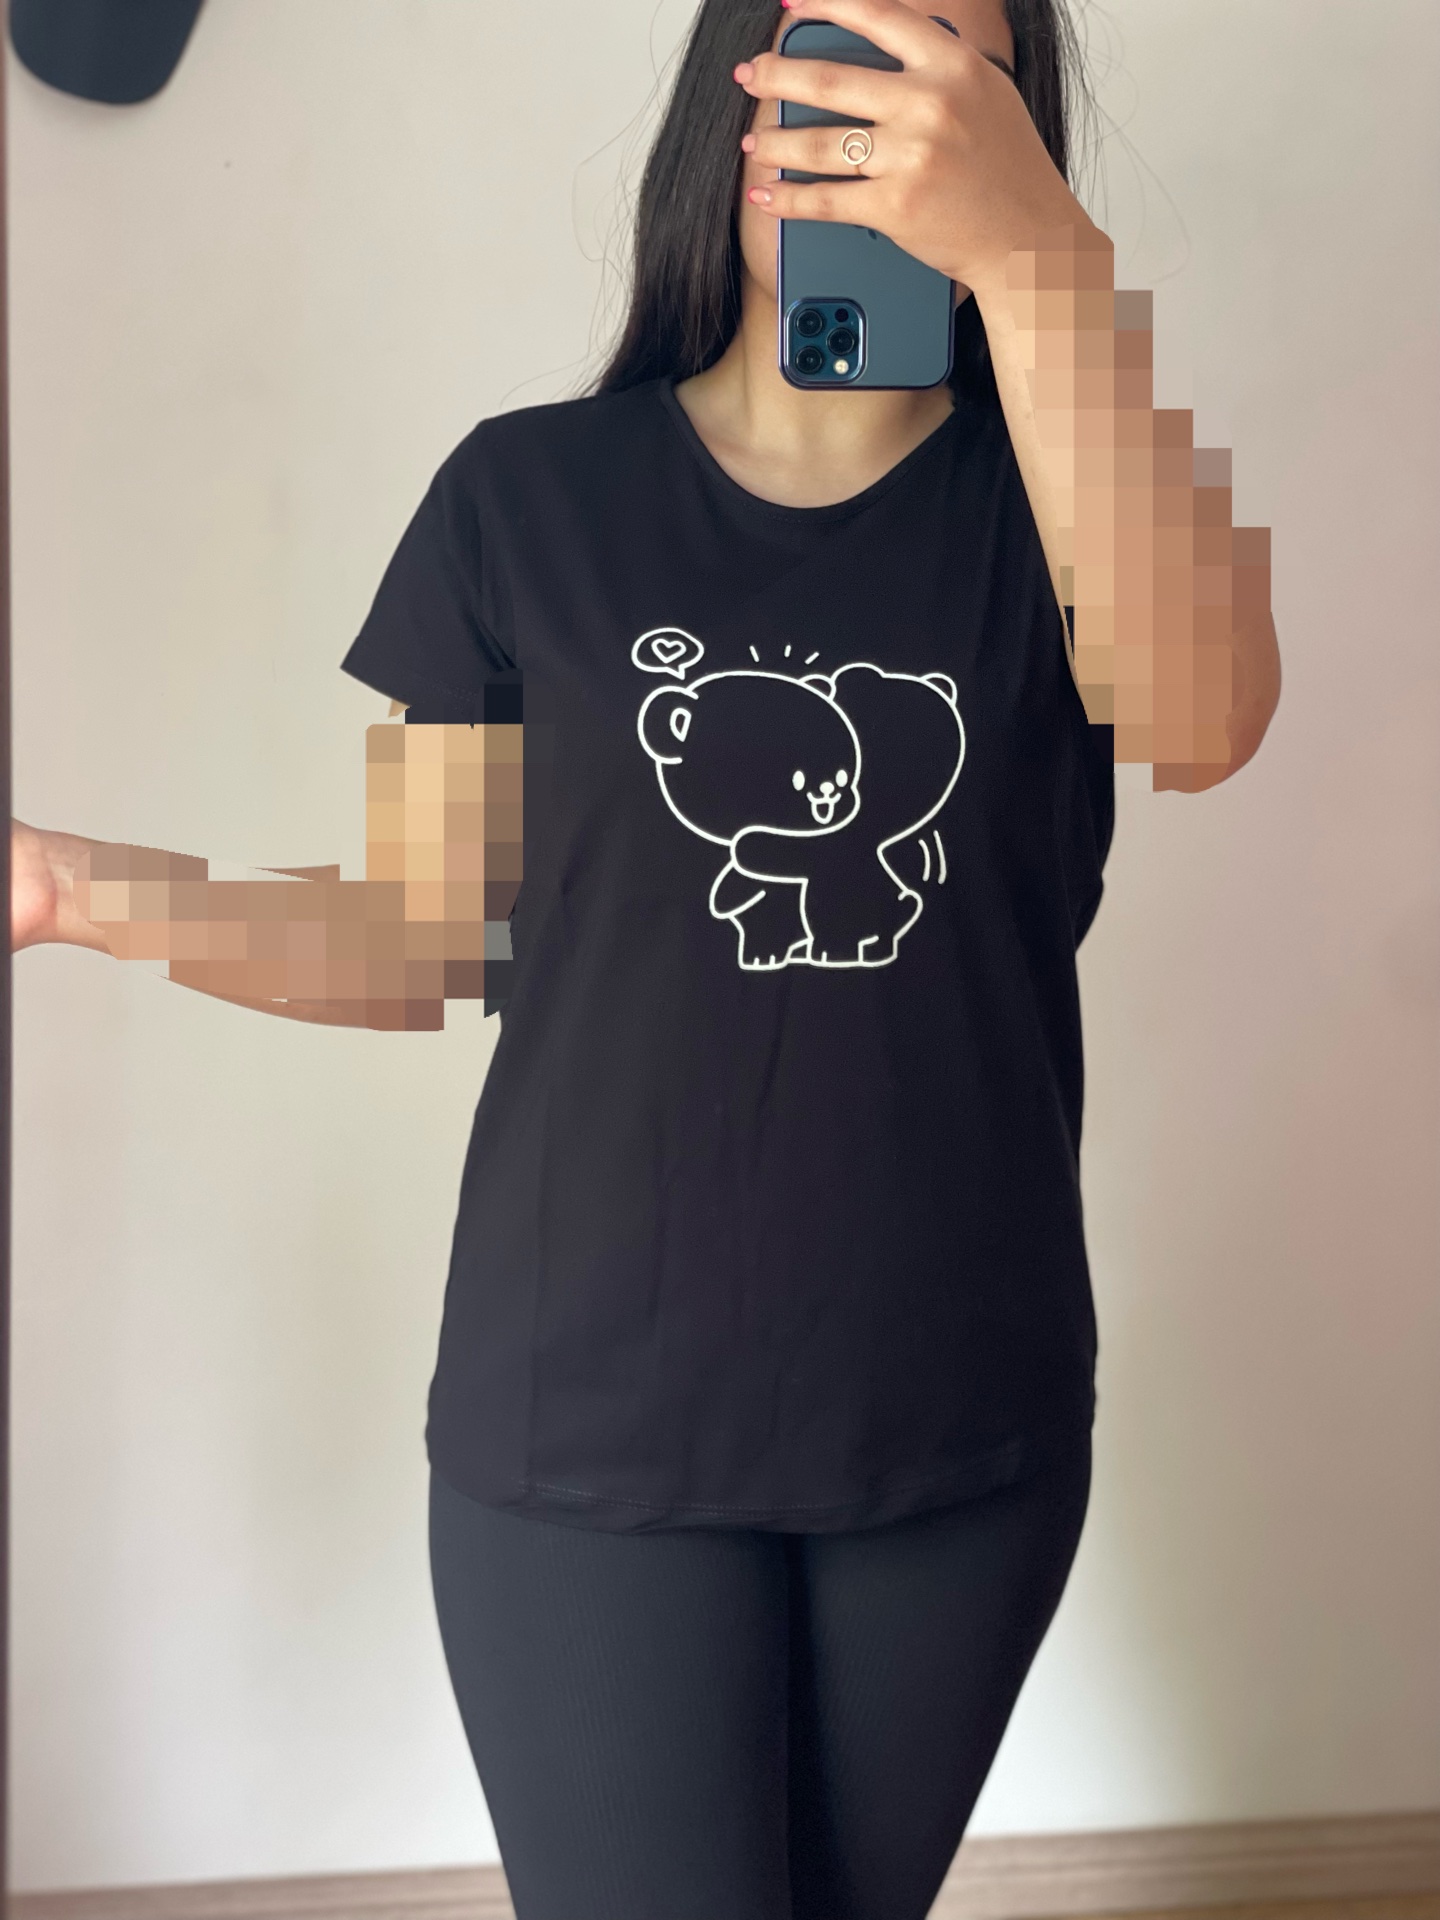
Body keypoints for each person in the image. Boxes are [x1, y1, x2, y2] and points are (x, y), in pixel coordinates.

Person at [12, 0, 1281, 1913]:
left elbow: (1213, 715)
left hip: (966, 1423)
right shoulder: (525, 498)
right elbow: (417, 938)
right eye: (827, 55)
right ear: (732, 115)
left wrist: (1043, 267)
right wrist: (74, 889)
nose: (875, 118)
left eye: (943, 72)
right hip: (583, 1427)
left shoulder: (1082, 517)